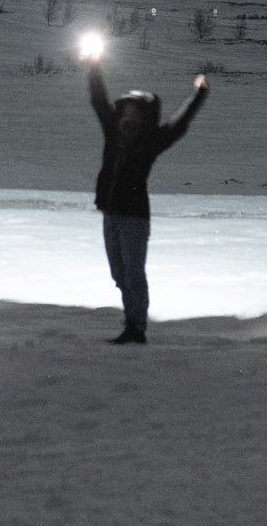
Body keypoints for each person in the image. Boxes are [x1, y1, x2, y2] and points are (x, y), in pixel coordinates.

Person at [85, 60, 208, 344]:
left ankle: (136, 328)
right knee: (119, 274)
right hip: (111, 215)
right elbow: (99, 101)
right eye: (126, 110)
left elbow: (181, 123)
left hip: (134, 219)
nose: (129, 116)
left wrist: (199, 94)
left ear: (145, 116)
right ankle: (132, 322)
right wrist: (92, 66)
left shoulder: (151, 142)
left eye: (135, 112)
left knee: (133, 275)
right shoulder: (113, 135)